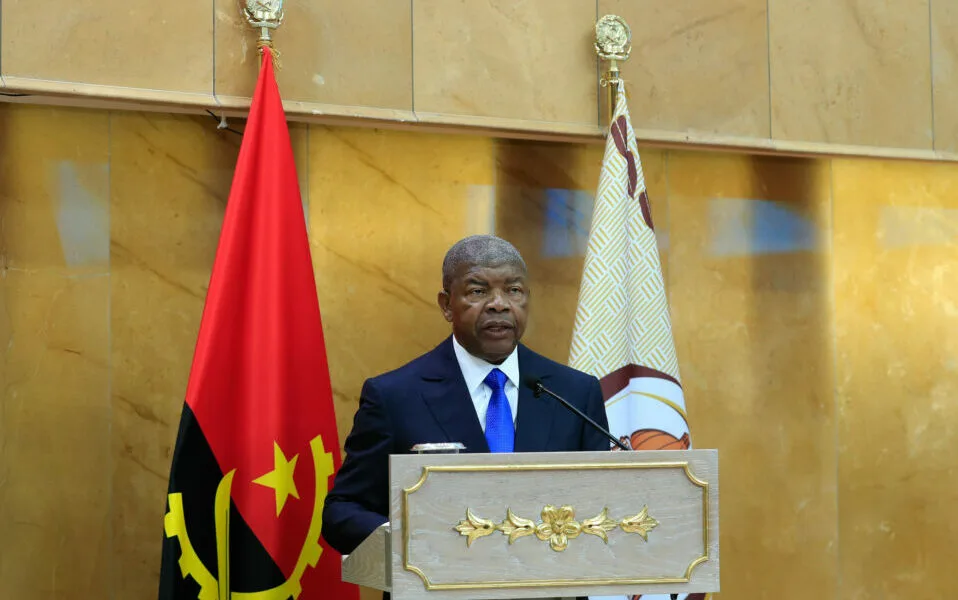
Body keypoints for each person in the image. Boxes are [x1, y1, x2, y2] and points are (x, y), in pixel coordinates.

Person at [322, 235, 610, 596]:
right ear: (447, 305)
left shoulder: (575, 392)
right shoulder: (394, 396)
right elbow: (343, 510)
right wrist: (411, 539)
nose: (499, 304)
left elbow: (603, 504)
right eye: (478, 291)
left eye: (514, 290)